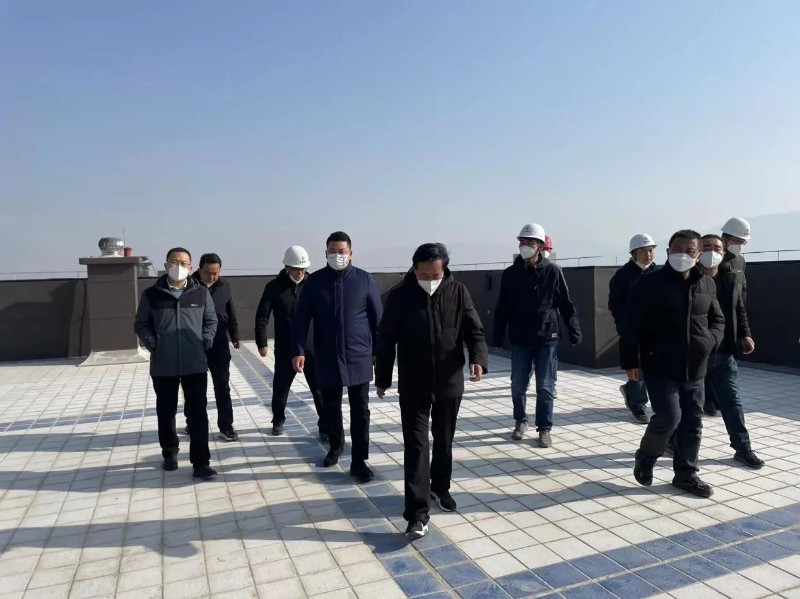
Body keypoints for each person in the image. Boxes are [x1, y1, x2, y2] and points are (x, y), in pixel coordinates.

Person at [375, 243, 489, 540]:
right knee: (416, 447)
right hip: (414, 383)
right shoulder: (400, 296)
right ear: (414, 269)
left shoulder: (458, 292)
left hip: (449, 382)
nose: (429, 279)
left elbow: (474, 330)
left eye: (434, 274)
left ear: (444, 270)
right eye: (423, 274)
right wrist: (383, 378)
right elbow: (385, 338)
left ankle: (440, 488)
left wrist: (478, 359)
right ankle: (417, 515)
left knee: (444, 440)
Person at [621, 230, 725, 498]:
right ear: (668, 252)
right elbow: (631, 324)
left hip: (695, 366)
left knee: (693, 421)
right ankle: (646, 456)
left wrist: (710, 341)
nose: (682, 255)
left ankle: (686, 474)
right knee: (669, 417)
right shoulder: (650, 282)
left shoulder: (706, 283)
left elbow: (718, 319)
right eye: (676, 249)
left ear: (698, 255)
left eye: (689, 251)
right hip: (660, 365)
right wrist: (631, 361)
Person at [292, 232, 383, 483]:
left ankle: (359, 461)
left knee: (360, 410)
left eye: (342, 251)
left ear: (351, 253)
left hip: (358, 355)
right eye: (332, 251)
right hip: (327, 355)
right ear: (325, 253)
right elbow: (301, 319)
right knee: (330, 406)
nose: (337, 255)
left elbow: (378, 319)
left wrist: (379, 352)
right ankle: (336, 445)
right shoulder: (315, 282)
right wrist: (298, 350)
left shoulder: (364, 280)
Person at [493, 223, 582, 448]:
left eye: (530, 242)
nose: (525, 246)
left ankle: (544, 428)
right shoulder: (510, 274)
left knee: (545, 387)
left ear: (540, 246)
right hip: (520, 338)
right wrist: (497, 334)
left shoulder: (553, 271)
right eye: (522, 242)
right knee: (518, 385)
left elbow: (565, 304)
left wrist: (574, 330)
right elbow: (502, 306)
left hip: (547, 338)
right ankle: (520, 421)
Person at [134, 247, 218, 480]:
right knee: (166, 411)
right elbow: (141, 324)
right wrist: (154, 344)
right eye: (174, 261)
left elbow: (211, 320)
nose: (178, 266)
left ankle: (201, 463)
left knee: (197, 413)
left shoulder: (201, 293)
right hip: (164, 364)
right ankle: (169, 451)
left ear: (190, 267)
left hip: (195, 363)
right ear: (166, 265)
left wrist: (205, 340)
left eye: (183, 262)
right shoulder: (152, 294)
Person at [697, 235, 764, 468]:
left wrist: (745, 334)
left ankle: (743, 448)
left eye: (716, 248)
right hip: (695, 355)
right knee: (688, 405)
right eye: (706, 247)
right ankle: (674, 442)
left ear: (723, 252)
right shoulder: (688, 280)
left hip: (724, 353)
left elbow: (739, 308)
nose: (712, 252)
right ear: (697, 252)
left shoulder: (730, 278)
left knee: (732, 401)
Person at [255, 246, 327, 439]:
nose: (300, 273)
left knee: (319, 388)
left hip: (311, 347)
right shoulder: (274, 287)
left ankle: (325, 424)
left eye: (303, 269)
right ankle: (278, 420)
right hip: (285, 347)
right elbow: (262, 316)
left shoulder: (314, 285)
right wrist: (262, 342)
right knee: (281, 387)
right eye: (296, 269)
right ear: (287, 267)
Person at [184, 253, 240, 442]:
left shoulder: (224, 286)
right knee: (195, 389)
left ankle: (226, 426)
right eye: (208, 273)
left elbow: (230, 311)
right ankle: (193, 422)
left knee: (222, 387)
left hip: (219, 344)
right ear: (199, 269)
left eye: (215, 273)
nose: (211, 277)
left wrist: (235, 335)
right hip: (195, 345)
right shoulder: (188, 286)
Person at [608, 233, 659, 424]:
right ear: (633, 253)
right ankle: (638, 406)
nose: (648, 254)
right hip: (632, 331)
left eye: (651, 250)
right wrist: (625, 326)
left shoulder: (659, 273)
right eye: (643, 251)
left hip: (655, 331)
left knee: (654, 368)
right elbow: (615, 305)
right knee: (636, 369)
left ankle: (631, 391)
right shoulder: (623, 276)